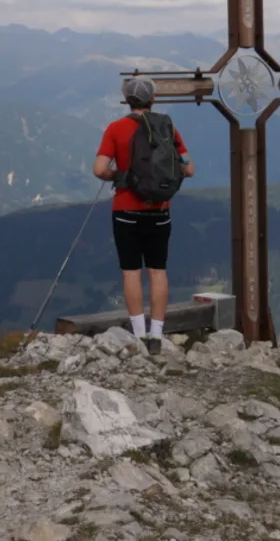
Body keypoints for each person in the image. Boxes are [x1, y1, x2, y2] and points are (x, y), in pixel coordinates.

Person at [94, 76, 194, 353]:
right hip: (160, 211)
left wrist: (121, 176)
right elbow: (189, 168)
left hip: (126, 209)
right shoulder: (167, 128)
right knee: (158, 272)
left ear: (127, 100)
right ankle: (157, 335)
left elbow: (99, 169)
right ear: (153, 99)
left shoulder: (115, 129)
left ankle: (139, 335)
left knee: (131, 273)